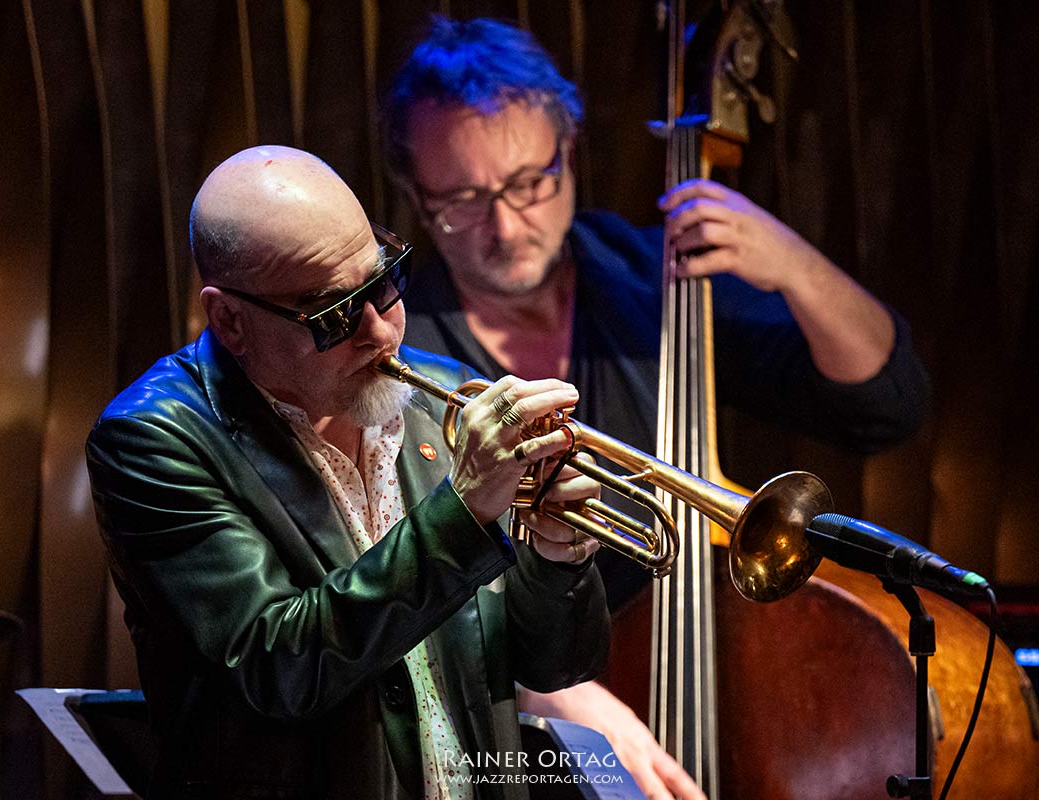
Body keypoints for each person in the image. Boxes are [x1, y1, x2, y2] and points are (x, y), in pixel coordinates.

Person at [383, 16, 931, 800]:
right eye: (462, 200)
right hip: (507, 737)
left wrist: (794, 267)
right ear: (414, 193)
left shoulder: (656, 280)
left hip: (716, 688)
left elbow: (887, 404)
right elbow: (380, 586)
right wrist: (543, 688)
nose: (505, 226)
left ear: (570, 154)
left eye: (529, 182)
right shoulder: (401, 349)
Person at [85, 144, 613, 800]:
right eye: (334, 314)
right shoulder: (153, 440)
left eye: (383, 282)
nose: (381, 333)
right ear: (230, 320)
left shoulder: (444, 396)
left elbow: (554, 665)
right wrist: (462, 511)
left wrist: (559, 557)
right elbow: (280, 667)